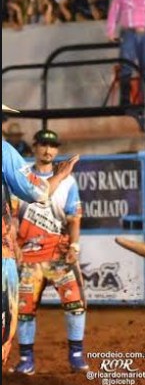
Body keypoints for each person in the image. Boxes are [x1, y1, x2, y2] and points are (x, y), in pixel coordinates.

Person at [2, 105, 79, 366]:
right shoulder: (6, 153)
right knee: (12, 318)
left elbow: (73, 216)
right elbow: (34, 193)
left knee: (70, 303)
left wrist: (74, 244)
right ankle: (27, 359)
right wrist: (58, 176)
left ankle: (72, 355)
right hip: (13, 254)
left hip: (50, 250)